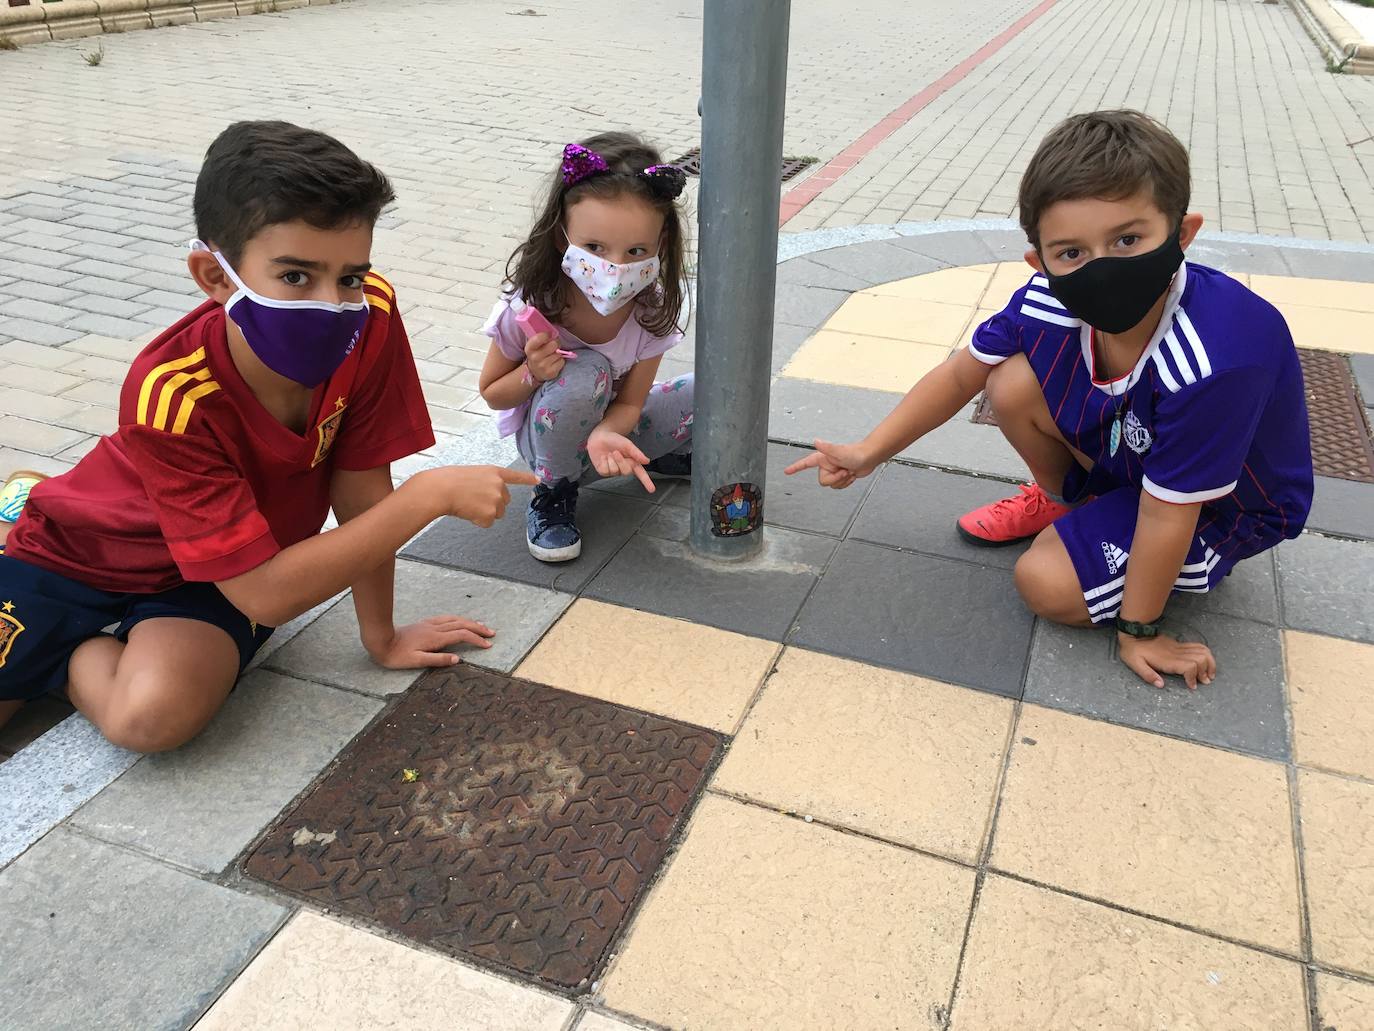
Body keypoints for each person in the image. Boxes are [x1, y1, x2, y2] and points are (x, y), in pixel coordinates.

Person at [0, 121, 536, 752]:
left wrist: (381, 637)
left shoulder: (372, 318)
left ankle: (64, 648)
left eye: (351, 276)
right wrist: (427, 497)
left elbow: (358, 487)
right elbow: (274, 592)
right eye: (295, 277)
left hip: (226, 568)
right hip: (86, 549)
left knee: (150, 723)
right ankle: (30, 509)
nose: (333, 302)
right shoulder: (170, 393)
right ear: (215, 275)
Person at [787, 110, 1313, 690]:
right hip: (1145, 460)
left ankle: (1143, 553)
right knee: (1009, 381)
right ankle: (1066, 502)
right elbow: (962, 375)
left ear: (1183, 234)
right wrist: (869, 451)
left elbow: (1172, 510)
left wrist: (1140, 628)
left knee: (1047, 584)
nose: (1102, 268)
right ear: (1041, 263)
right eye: (1072, 253)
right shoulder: (1048, 298)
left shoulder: (1218, 358)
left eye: (1128, 240)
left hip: (1223, 505)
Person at [479, 132, 694, 562]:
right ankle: (553, 495)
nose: (616, 266)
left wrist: (608, 432)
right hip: (548, 444)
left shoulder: (651, 311)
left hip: (608, 440)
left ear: (661, 246)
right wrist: (532, 373)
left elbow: (632, 402)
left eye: (636, 251)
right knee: (586, 370)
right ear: (562, 236)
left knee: (714, 385)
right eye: (594, 248)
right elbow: (491, 392)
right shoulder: (531, 303)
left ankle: (652, 457)